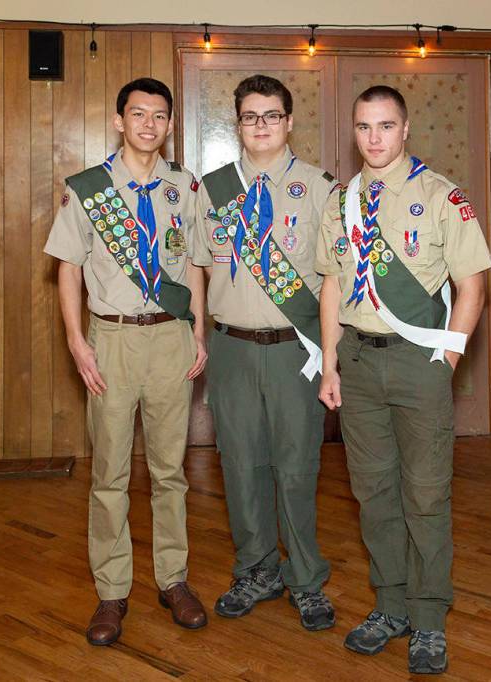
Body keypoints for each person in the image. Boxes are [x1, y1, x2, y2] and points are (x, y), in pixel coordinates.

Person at [315, 85, 491, 675]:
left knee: (425, 494)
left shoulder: (442, 196)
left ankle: (428, 617)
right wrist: (331, 364)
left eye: (385, 126)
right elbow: (333, 284)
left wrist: (446, 360)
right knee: (373, 494)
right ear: (354, 130)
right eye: (364, 127)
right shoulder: (341, 201)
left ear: (406, 127)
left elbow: (472, 288)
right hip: (359, 365)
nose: (374, 138)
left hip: (419, 364)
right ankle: (389, 605)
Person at [44, 77, 209, 646]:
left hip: (170, 339)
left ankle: (173, 580)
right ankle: (112, 591)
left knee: (170, 472)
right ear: (119, 120)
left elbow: (195, 267)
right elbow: (67, 266)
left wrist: (199, 332)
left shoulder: (184, 187)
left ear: (168, 124)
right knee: (110, 474)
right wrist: (76, 340)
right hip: (110, 341)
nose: (148, 125)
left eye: (159, 116)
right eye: (138, 114)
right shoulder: (88, 188)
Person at [190, 74, 337, 631]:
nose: (261, 126)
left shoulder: (321, 189)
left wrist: (331, 352)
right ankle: (256, 568)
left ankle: (305, 577)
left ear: (289, 121)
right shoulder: (214, 189)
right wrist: (200, 332)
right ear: (238, 123)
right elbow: (199, 268)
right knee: (241, 465)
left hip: (294, 350)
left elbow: (332, 278)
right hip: (231, 348)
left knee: (297, 468)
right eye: (250, 117)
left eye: (271, 115)